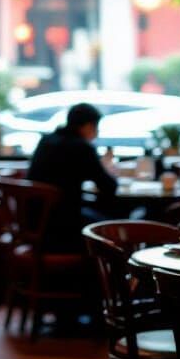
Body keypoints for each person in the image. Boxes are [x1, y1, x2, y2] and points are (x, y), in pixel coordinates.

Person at [28, 102, 118, 250]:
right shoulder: (82, 147)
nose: (97, 133)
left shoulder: (46, 140)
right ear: (88, 126)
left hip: (34, 223)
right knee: (115, 225)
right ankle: (101, 271)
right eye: (96, 127)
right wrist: (106, 168)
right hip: (64, 227)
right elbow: (109, 187)